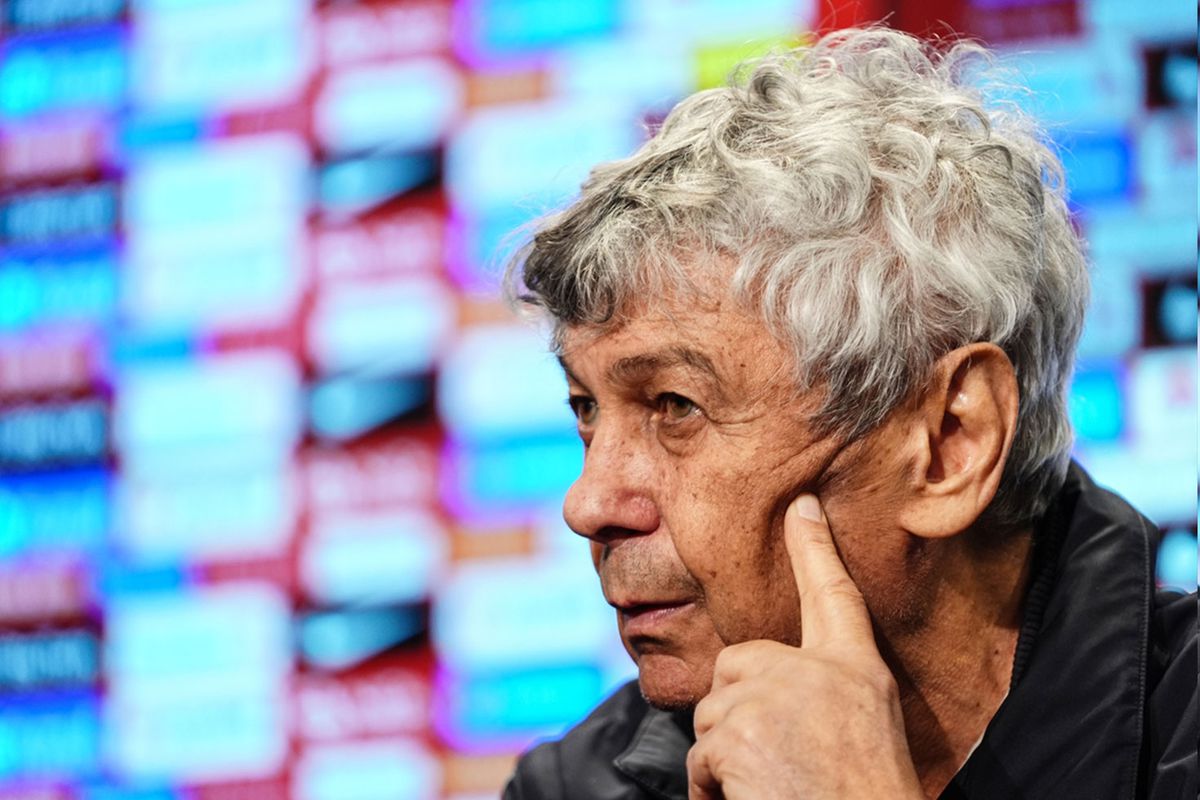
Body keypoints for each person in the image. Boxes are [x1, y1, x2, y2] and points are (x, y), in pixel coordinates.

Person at [501, 27, 1197, 800]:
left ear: (949, 443)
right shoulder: (573, 787)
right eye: (586, 408)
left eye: (675, 406)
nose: (589, 503)